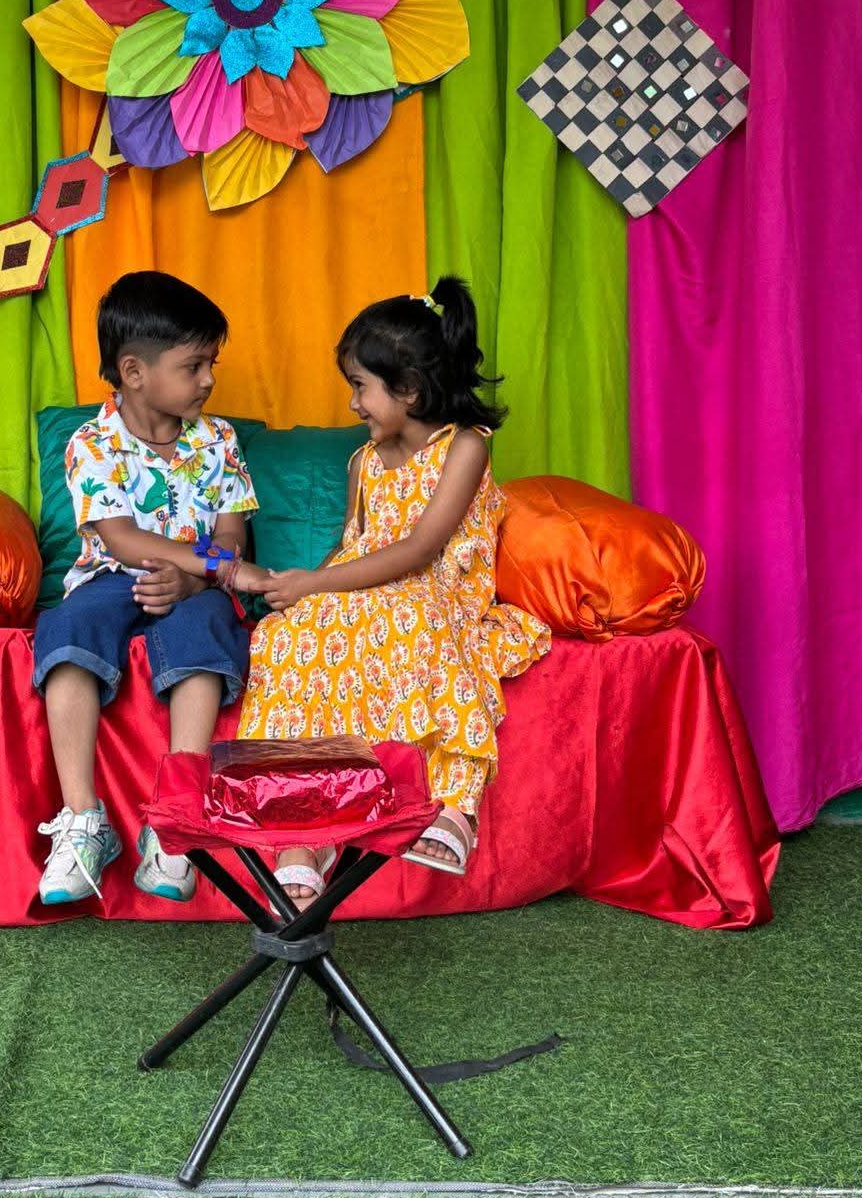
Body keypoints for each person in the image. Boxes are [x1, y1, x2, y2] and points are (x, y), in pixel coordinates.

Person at [239, 276, 551, 907]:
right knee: (288, 634)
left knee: (409, 618)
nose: (353, 403)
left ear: (407, 389)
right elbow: (351, 547)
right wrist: (300, 591)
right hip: (366, 588)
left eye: (361, 386)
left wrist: (315, 582)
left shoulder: (464, 448)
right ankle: (311, 823)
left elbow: (417, 551)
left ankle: (454, 807)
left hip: (434, 591)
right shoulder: (363, 461)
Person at [33, 271, 264, 906]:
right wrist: (198, 559)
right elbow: (121, 540)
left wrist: (195, 580)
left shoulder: (218, 441)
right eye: (194, 366)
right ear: (134, 372)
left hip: (198, 586)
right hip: (113, 579)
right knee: (68, 628)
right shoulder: (93, 442)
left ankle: (177, 821)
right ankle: (83, 819)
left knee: (205, 629)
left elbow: (233, 539)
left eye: (211, 363)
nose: (209, 379)